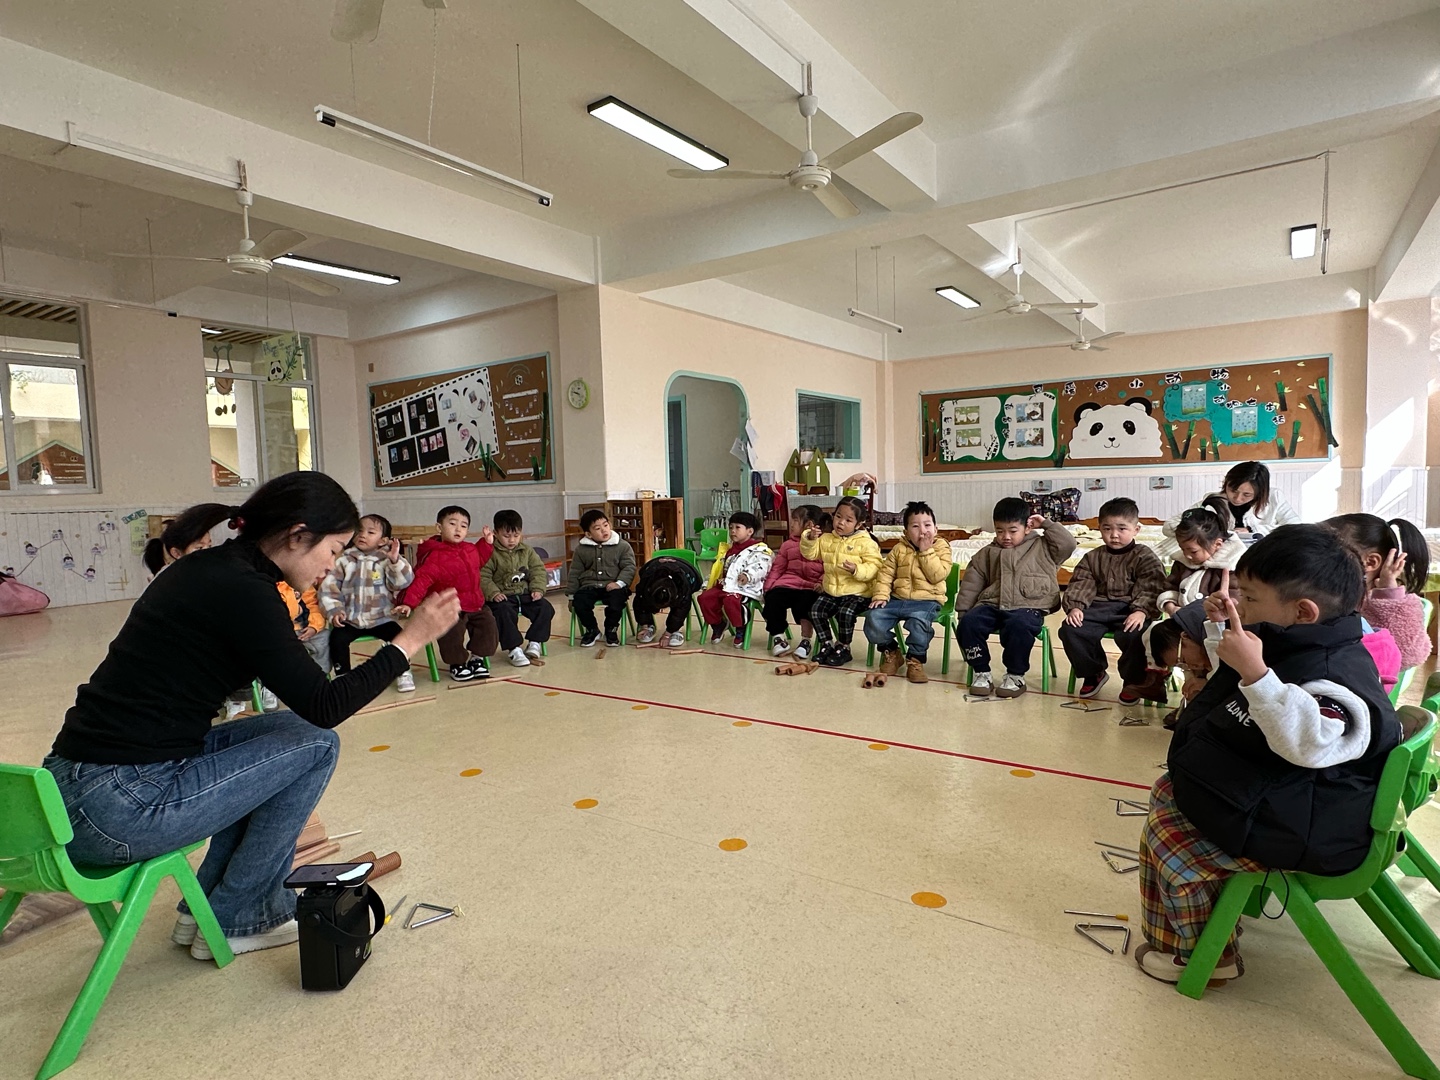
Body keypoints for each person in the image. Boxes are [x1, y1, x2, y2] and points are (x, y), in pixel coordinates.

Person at [42, 473, 460, 959]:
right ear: (298, 535)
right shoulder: (245, 589)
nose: (332, 565)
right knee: (318, 742)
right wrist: (409, 640)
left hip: (70, 788)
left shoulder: (215, 569)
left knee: (296, 735)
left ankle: (210, 909)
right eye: (332, 549)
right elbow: (326, 706)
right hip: (118, 807)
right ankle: (243, 915)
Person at [1135, 525, 1401, 984]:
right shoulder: (1303, 639)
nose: (1239, 604)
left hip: (1310, 828)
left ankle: (1203, 956)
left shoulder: (1332, 674)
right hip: (1291, 801)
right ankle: (1203, 923)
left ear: (1302, 611)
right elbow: (1238, 685)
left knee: (1170, 841)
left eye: (1250, 598)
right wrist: (1222, 631)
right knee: (1167, 792)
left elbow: (1308, 740)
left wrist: (1256, 671)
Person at [1117, 500, 1243, 705]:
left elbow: (1232, 603)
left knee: (1189, 655)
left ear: (1217, 544)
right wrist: (1169, 605)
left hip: (1211, 627)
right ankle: (1154, 679)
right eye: (1183, 550)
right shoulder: (1183, 562)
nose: (1187, 556)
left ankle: (1196, 699)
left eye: (1193, 551)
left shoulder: (1231, 567)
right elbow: (1169, 587)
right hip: (1181, 619)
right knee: (1150, 633)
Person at [955, 497, 1077, 698]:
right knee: (969, 623)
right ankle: (981, 672)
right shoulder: (987, 553)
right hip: (993, 603)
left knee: (1019, 626)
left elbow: (1069, 544)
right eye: (999, 531)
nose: (1006, 537)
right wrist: (963, 612)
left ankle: (1015, 675)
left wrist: (1046, 524)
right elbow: (971, 584)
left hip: (1028, 606)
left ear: (1027, 527)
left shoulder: (1044, 547)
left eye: (1013, 531)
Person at [1058, 497, 1167, 698]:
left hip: (1130, 609)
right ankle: (1094, 672)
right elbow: (1081, 582)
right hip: (1098, 608)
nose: (1114, 535)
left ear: (1136, 530)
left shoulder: (1144, 556)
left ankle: (1133, 681)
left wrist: (1141, 611)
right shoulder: (1092, 557)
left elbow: (1152, 586)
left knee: (1136, 635)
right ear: (1099, 528)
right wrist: (1076, 607)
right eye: (1107, 529)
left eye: (1122, 529)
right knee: (1071, 629)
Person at [318, 513, 416, 692]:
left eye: (370, 532)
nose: (362, 535)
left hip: (381, 618)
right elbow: (328, 588)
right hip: (351, 620)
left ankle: (403, 670)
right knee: (337, 639)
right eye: (360, 530)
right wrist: (334, 610)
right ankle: (343, 677)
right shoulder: (344, 560)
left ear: (383, 540)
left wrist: (395, 561)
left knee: (399, 637)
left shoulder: (387, 560)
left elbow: (402, 582)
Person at [1324, 513, 1433, 672]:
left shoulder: (1387, 604)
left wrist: (1389, 594)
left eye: (1327, 549)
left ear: (1370, 562)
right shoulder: (1324, 590)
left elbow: (1408, 653)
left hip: (1360, 681)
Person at [397, 505, 495, 682]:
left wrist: (486, 544)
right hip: (450, 606)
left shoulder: (470, 549)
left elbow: (480, 559)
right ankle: (457, 664)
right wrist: (408, 603)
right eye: (452, 523)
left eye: (463, 526)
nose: (458, 529)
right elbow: (421, 581)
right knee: (452, 632)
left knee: (488, 625)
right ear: (439, 527)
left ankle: (477, 658)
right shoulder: (434, 555)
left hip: (474, 604)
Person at [864, 501, 953, 684]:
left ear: (935, 529)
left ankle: (915, 660)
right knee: (873, 617)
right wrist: (881, 595)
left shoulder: (941, 548)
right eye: (915, 526)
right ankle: (892, 651)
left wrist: (926, 551)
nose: (922, 531)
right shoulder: (898, 549)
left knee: (919, 623)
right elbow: (885, 574)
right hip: (898, 599)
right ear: (906, 532)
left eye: (927, 525)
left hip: (927, 600)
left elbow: (937, 575)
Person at [800, 496, 882, 667]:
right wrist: (810, 539)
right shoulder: (827, 538)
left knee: (845, 613)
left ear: (858, 524)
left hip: (858, 593)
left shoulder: (866, 543)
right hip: (832, 591)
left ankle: (844, 647)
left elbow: (875, 567)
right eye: (838, 516)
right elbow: (810, 554)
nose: (841, 522)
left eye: (848, 520)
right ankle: (826, 644)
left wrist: (857, 570)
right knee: (815, 610)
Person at [1159, 461, 1299, 557]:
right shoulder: (1213, 501)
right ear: (1226, 484)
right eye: (1233, 490)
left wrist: (1253, 529)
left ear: (1260, 493)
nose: (1237, 498)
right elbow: (1169, 527)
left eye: (1246, 495)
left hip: (1262, 556)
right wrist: (1206, 533)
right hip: (1223, 558)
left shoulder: (1274, 497)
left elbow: (1295, 529)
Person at [480, 509, 554, 667]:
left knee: (545, 608)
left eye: (516, 535)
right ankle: (514, 649)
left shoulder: (527, 551)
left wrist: (537, 589)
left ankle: (535, 642)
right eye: (506, 536)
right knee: (503, 612)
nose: (512, 540)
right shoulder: (490, 552)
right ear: (495, 533)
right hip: (502, 597)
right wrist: (493, 593)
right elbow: (483, 576)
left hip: (525, 594)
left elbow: (538, 570)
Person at [761, 504, 825, 659]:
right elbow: (778, 568)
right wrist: (768, 587)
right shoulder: (787, 545)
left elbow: (829, 568)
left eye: (795, 521)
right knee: (773, 599)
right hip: (789, 582)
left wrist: (822, 582)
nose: (792, 524)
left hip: (811, 586)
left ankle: (806, 640)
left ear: (809, 524)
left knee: (806, 604)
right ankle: (778, 637)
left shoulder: (823, 544)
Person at [567, 509, 636, 647]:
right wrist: (571, 595)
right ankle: (592, 630)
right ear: (588, 534)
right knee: (580, 602)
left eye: (605, 525)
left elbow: (629, 567)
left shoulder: (622, 546)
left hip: (613, 585)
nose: (604, 530)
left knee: (616, 602)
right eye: (597, 528)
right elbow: (575, 572)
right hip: (589, 586)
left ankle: (611, 629)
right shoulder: (581, 549)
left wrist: (619, 583)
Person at [697, 511, 768, 647]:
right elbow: (718, 569)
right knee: (705, 598)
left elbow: (761, 566)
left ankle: (740, 627)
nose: (733, 531)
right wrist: (709, 582)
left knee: (731, 600)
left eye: (737, 527)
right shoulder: (727, 549)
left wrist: (748, 575)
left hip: (744, 588)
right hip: (725, 585)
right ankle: (718, 624)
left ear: (750, 531)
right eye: (730, 527)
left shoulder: (759, 549)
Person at [633, 552, 704, 648]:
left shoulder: (683, 585)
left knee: (680, 605)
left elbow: (680, 611)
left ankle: (676, 631)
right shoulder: (647, 581)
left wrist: (668, 634)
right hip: (653, 566)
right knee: (643, 599)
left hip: (689, 574)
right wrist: (644, 625)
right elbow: (640, 601)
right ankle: (649, 626)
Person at [142, 503, 232, 577]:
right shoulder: (172, 578)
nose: (208, 551)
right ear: (176, 553)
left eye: (209, 545)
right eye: (199, 548)